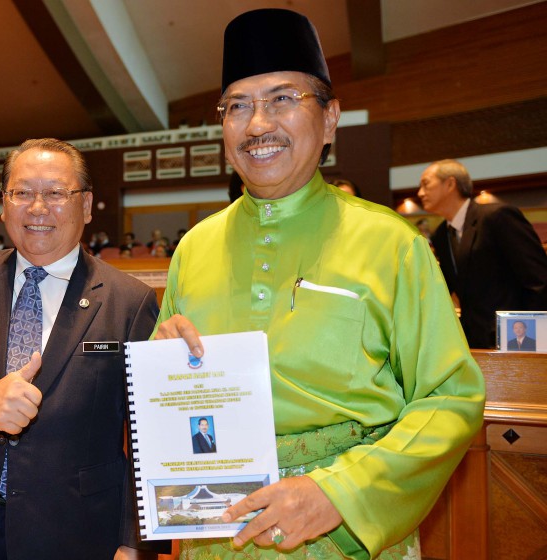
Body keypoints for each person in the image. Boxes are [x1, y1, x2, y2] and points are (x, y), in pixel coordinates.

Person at [152, 9, 485, 559]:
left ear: (330, 119)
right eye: (238, 105)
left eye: (282, 98)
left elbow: (451, 398)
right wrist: (164, 366)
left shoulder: (390, 242)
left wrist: (338, 492)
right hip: (218, 530)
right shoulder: (195, 246)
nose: (258, 124)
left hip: (342, 532)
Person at [0, 138, 165, 560]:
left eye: (57, 193)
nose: (37, 208)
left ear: (87, 204)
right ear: (5, 205)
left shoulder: (129, 301)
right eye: (22, 193)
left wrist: (133, 540)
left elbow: (147, 435)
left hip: (77, 530)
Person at [418, 159, 547, 348]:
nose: (420, 193)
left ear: (450, 184)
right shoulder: (441, 235)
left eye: (426, 184)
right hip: (474, 341)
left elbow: (539, 280)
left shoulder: (497, 217)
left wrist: (527, 338)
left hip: (516, 338)